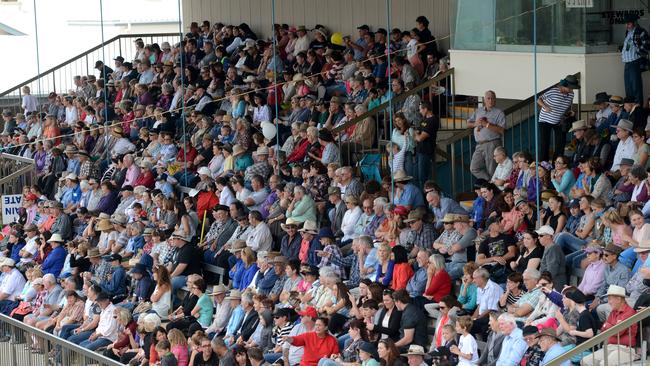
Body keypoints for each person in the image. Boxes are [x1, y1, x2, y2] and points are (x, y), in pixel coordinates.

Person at [536, 75, 579, 161]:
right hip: (544, 120)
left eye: (572, 88)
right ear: (564, 86)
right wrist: (545, 106)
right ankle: (543, 164)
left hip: (559, 121)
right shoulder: (554, 91)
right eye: (570, 88)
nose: (571, 90)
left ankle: (557, 163)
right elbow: (539, 99)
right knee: (545, 143)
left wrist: (567, 114)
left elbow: (566, 106)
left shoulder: (571, 94)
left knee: (561, 142)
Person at [467, 90, 505, 181]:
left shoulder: (499, 113)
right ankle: (490, 182)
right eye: (488, 98)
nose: (490, 100)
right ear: (484, 100)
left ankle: (493, 188)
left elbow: (502, 130)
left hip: (492, 143)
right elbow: (468, 123)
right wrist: (475, 124)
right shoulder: (478, 111)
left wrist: (487, 124)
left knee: (492, 169)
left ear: (495, 100)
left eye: (492, 98)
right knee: (474, 168)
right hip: (479, 144)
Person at [621, 13, 650, 105]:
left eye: (628, 24)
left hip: (635, 62)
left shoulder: (641, 31)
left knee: (636, 88)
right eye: (626, 24)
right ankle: (630, 109)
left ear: (634, 23)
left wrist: (638, 51)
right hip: (627, 63)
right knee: (628, 88)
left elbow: (647, 45)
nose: (627, 26)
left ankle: (637, 110)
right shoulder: (628, 32)